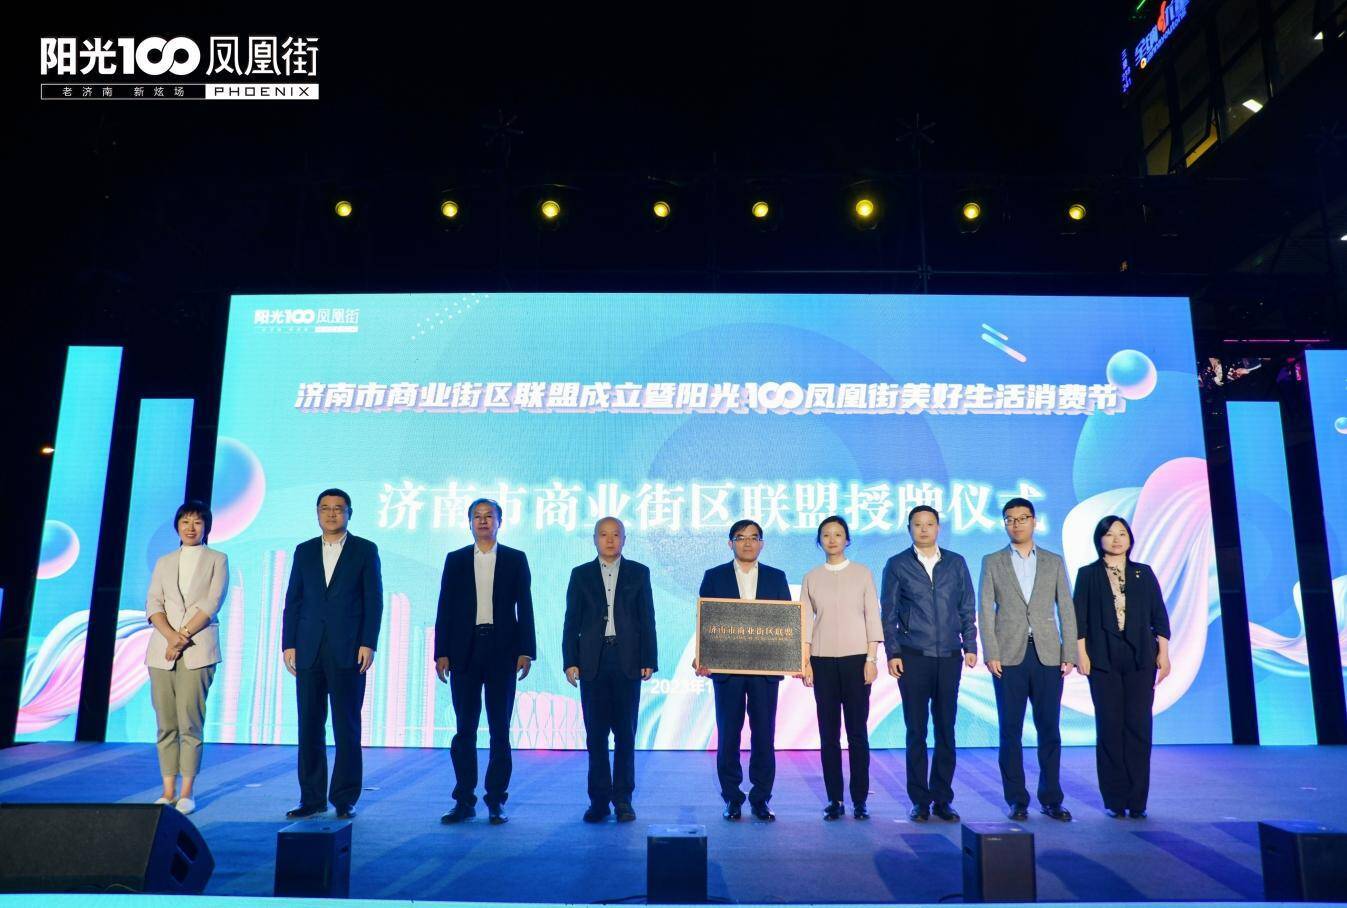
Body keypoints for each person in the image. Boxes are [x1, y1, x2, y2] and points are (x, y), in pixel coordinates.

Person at [281, 488, 383, 820]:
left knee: (346, 726)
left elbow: (373, 600)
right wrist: (289, 643)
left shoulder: (365, 550)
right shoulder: (304, 550)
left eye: (338, 508)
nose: (331, 513)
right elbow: (294, 599)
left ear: (349, 513)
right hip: (308, 648)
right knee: (309, 725)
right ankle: (311, 798)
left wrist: (368, 642)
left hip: (349, 650)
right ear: (317, 513)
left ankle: (344, 797)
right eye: (325, 508)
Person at [435, 498, 537, 825]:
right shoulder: (455, 560)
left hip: (502, 650)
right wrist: (441, 652)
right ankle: (464, 800)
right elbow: (445, 607)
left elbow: (525, 607)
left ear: (499, 522)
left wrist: (526, 650)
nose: (483, 521)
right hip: (463, 651)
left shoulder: (515, 559)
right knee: (464, 729)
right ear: (469, 523)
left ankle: (496, 800)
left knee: (499, 729)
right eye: (477, 516)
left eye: (488, 516)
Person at [978, 497, 1077, 822]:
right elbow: (985, 608)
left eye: (1022, 518)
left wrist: (1069, 652)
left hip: (1048, 654)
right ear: (1004, 524)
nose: (1016, 524)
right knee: (1010, 731)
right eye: (1010, 519)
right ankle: (1017, 800)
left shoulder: (1053, 561)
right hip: (1008, 657)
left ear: (1034, 521)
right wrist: (991, 652)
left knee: (1049, 730)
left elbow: (1066, 607)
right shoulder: (992, 561)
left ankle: (1051, 799)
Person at [880, 506, 977, 823]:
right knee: (916, 731)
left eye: (930, 524)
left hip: (949, 656)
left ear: (938, 528)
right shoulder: (897, 564)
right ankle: (920, 800)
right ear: (909, 528)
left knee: (946, 729)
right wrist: (893, 653)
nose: (924, 529)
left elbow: (966, 606)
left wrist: (970, 645)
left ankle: (943, 799)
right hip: (913, 656)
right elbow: (889, 612)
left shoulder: (956, 562)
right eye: (917, 524)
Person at [1073, 515, 1171, 819]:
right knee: (1110, 728)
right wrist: (1081, 654)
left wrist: (1164, 654)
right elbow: (1079, 619)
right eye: (1110, 534)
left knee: (1139, 727)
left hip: (1141, 658)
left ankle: (1137, 800)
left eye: (1122, 533)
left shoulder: (1144, 573)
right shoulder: (1088, 574)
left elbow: (1159, 615)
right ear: (1099, 539)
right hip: (1102, 659)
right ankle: (1115, 800)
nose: (1116, 539)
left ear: (1130, 539)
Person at [694, 519, 792, 821]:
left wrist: (792, 657)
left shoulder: (776, 577)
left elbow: (787, 623)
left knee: (764, 734)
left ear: (761, 543)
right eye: (741, 537)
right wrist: (702, 656)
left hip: (765, 670)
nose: (747, 543)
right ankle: (733, 798)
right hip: (727, 669)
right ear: (730, 543)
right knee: (728, 735)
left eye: (753, 537)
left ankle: (761, 798)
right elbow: (705, 620)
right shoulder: (714, 576)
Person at [562, 517, 658, 823]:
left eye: (616, 534)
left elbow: (647, 619)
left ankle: (623, 800)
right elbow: (571, 621)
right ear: (594, 539)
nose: (610, 540)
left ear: (624, 539)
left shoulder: (639, 572)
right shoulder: (580, 574)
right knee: (596, 736)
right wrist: (570, 660)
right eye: (603, 534)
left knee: (626, 735)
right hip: (593, 662)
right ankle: (599, 801)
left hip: (627, 661)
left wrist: (649, 658)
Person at [144, 500, 228, 816]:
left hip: (197, 649)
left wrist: (182, 637)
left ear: (206, 527)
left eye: (197, 522)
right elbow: (153, 604)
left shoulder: (218, 559)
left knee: (189, 722)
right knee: (165, 723)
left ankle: (187, 792)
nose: (191, 527)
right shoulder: (165, 562)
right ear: (177, 526)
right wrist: (171, 637)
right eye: (185, 522)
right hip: (162, 651)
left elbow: (212, 602)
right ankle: (167, 791)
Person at [800, 515, 883, 821]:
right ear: (819, 541)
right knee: (828, 734)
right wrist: (805, 662)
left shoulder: (862, 573)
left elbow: (872, 616)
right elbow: (805, 621)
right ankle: (834, 799)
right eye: (826, 535)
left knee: (857, 733)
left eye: (838, 534)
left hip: (857, 659)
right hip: (822, 661)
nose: (832, 539)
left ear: (847, 540)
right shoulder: (811, 577)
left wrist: (871, 659)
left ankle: (860, 799)